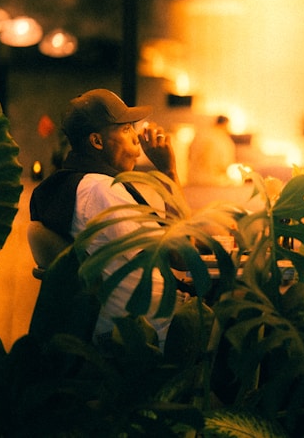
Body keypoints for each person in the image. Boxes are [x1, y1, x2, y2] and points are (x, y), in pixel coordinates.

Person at [30, 88, 182, 348]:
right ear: (97, 142)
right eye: (125, 130)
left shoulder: (77, 185)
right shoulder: (100, 189)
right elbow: (178, 254)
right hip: (148, 333)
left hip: (134, 323)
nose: (136, 137)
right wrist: (168, 171)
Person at [188, 115, 236, 186]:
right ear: (225, 125)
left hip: (194, 180)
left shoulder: (199, 135)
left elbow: (189, 155)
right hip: (214, 182)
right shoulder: (223, 140)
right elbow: (224, 164)